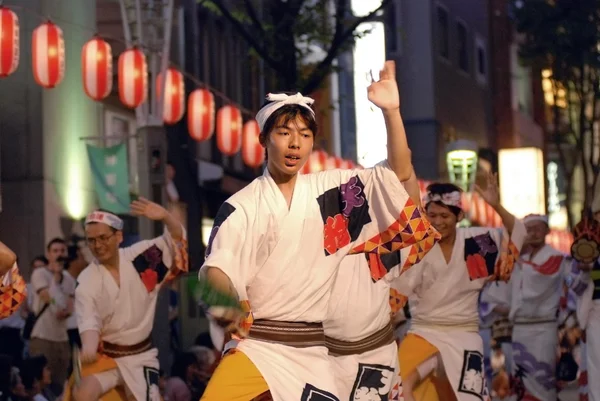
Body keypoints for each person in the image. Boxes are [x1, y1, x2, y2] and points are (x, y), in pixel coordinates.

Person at [199, 61, 439, 401]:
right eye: (284, 133)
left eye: (305, 135)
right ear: (264, 139)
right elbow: (219, 267)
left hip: (314, 354)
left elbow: (398, 176)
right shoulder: (242, 206)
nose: (295, 144)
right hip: (258, 350)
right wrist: (224, 300)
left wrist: (392, 113)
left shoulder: (334, 193)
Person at [395, 177, 526, 401]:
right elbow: (396, 296)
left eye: (445, 216)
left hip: (464, 333)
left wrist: (495, 205)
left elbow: (517, 234)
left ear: (459, 216)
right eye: (432, 215)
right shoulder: (417, 246)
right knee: (395, 387)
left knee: (467, 397)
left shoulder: (475, 243)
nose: (438, 222)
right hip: (423, 331)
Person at [64, 200, 187, 401]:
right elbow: (89, 321)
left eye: (103, 237)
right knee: (82, 394)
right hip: (107, 357)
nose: (98, 245)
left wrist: (166, 216)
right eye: (92, 240)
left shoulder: (141, 259)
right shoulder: (87, 280)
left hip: (142, 357)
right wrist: (88, 346)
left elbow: (175, 240)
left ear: (119, 236)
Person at [323, 168, 427, 400]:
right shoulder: (319, 242)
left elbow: (412, 216)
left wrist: (405, 170)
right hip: (325, 356)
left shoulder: (385, 246)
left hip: (376, 354)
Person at [508, 213, 591, 401]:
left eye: (538, 228)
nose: (533, 233)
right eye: (529, 229)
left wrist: (585, 272)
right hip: (519, 329)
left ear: (547, 231)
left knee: (543, 379)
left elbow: (570, 282)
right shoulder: (519, 261)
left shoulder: (557, 259)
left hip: (544, 328)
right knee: (519, 380)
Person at [28, 238, 75, 393]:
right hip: (43, 336)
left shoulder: (69, 278)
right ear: (48, 254)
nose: (59, 254)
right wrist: (55, 277)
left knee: (60, 384)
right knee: (41, 383)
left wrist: (65, 311)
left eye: (62, 250)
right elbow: (48, 298)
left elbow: (69, 306)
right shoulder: (40, 274)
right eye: (55, 251)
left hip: (62, 338)